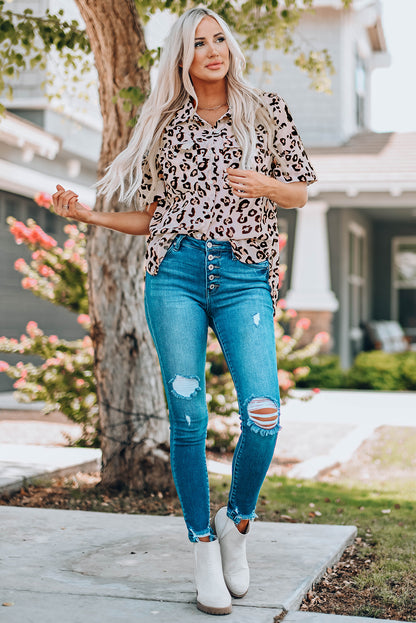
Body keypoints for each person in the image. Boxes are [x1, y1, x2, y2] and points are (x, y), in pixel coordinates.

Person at [52, 6, 316, 616]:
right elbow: (153, 216)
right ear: (182, 57)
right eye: (198, 43)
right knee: (189, 414)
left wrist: (262, 185)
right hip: (174, 273)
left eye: (219, 38)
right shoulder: (166, 124)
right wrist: (90, 216)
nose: (212, 50)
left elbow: (300, 188)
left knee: (264, 413)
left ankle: (236, 524)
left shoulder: (265, 110)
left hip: (244, 276)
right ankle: (202, 545)